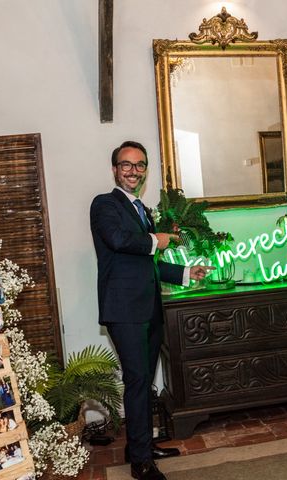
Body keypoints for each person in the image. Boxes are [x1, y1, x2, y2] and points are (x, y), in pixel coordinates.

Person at [90, 141, 213, 480]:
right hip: (124, 309)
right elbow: (118, 241)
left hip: (149, 308)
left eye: (140, 165)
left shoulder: (142, 209)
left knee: (144, 382)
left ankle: (139, 447)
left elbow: (148, 264)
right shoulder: (105, 204)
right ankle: (141, 463)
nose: (133, 170)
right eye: (126, 165)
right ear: (115, 169)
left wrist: (186, 273)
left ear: (145, 170)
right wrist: (155, 240)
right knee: (138, 381)